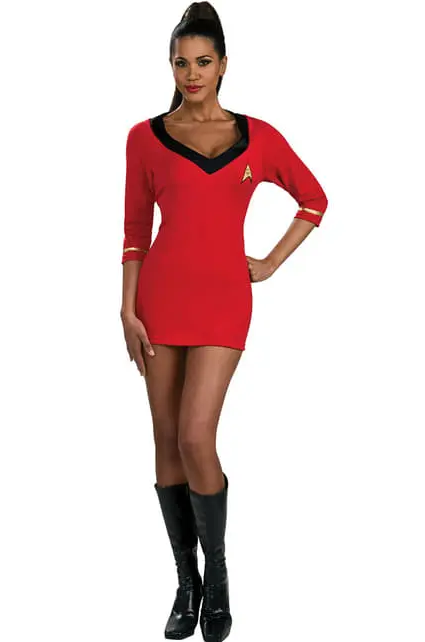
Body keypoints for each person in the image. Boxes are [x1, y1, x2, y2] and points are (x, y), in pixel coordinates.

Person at [120, 2, 328, 640]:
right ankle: (187, 584)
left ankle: (219, 578)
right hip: (158, 299)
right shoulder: (144, 137)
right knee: (165, 438)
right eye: (181, 62)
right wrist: (126, 308)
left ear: (224, 65)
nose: (192, 73)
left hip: (223, 301)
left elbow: (314, 198)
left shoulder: (257, 137)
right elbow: (135, 230)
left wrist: (269, 262)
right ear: (171, 67)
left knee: (195, 436)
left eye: (203, 62)